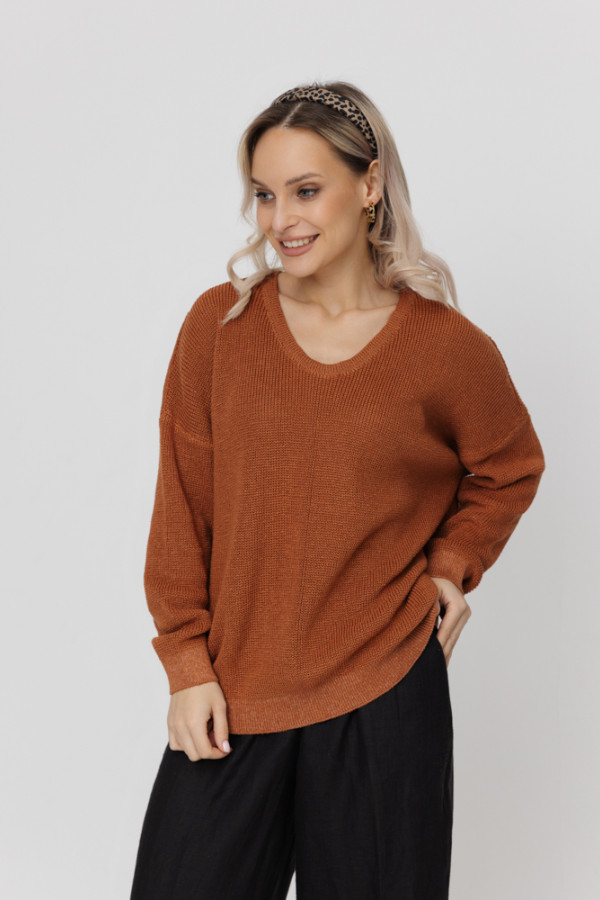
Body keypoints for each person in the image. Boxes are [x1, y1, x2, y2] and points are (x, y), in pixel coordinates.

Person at [129, 80, 546, 899]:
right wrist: (185, 663)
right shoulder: (219, 327)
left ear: (369, 184)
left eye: (306, 190)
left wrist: (451, 566)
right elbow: (183, 505)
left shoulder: (445, 348)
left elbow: (511, 465)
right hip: (234, 694)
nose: (280, 219)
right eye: (264, 194)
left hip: (385, 695)